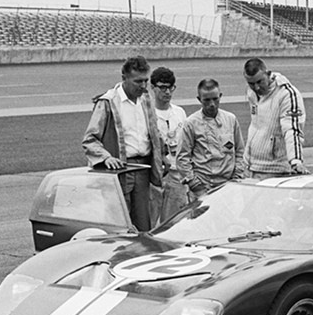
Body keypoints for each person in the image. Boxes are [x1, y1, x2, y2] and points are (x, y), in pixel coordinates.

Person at [81, 55, 163, 231]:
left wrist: (162, 156)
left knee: (144, 224)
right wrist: (106, 157)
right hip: (120, 171)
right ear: (124, 78)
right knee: (119, 224)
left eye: (146, 81)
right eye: (138, 81)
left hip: (144, 170)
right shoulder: (108, 102)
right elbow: (90, 139)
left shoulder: (146, 99)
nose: (143, 86)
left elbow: (154, 133)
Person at [176, 78, 245, 199]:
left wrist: (237, 177)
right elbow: (182, 158)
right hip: (203, 188)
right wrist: (195, 184)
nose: (212, 104)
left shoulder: (231, 120)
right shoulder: (191, 123)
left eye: (215, 99)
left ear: (220, 96)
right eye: (207, 100)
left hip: (229, 186)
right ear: (199, 99)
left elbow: (240, 151)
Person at [242, 57, 309, 179]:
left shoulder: (287, 94)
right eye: (251, 83)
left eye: (260, 82)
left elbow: (292, 129)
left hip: (275, 170)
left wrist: (296, 161)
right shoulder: (251, 92)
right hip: (249, 167)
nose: (256, 87)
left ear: (268, 74)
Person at [150, 67, 188, 221]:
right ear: (153, 88)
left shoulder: (179, 113)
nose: (167, 92)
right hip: (156, 175)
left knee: (175, 219)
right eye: (163, 88)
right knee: (151, 218)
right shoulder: (148, 114)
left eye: (171, 88)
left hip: (177, 174)